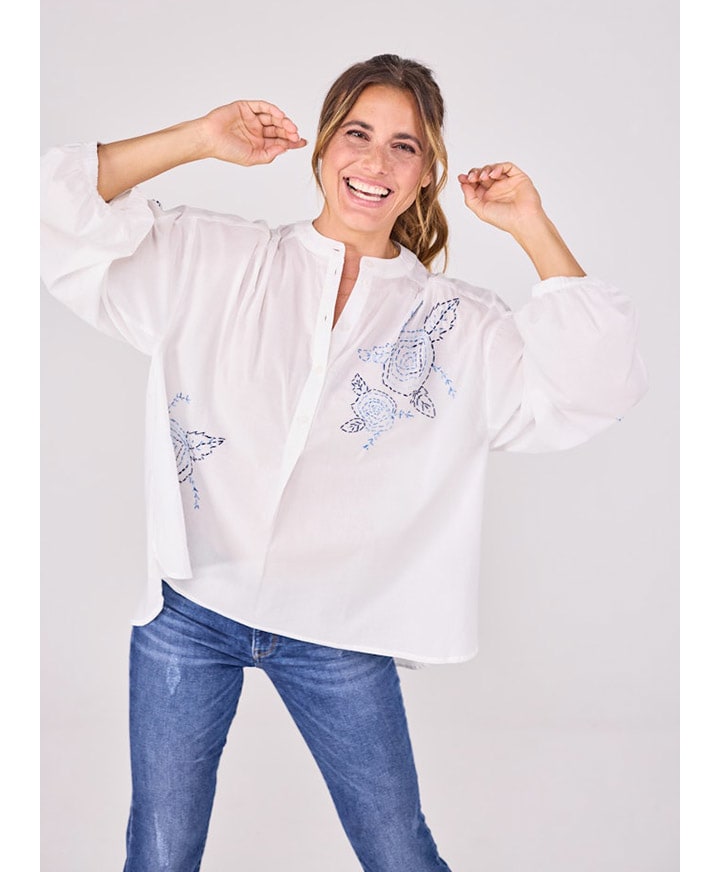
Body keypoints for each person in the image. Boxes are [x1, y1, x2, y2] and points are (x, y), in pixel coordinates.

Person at [41, 53, 648, 871]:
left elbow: (599, 384)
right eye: (358, 134)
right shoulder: (217, 259)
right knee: (160, 851)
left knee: (399, 853)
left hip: (339, 629)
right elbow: (50, 207)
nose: (376, 161)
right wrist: (200, 137)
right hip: (189, 612)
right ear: (324, 147)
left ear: (427, 173)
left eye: (404, 145)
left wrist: (531, 225)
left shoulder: (458, 325)